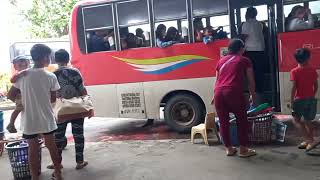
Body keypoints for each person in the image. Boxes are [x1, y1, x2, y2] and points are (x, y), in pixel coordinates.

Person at [7, 44, 63, 180]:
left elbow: (10, 95)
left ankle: (34, 177)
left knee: (32, 150)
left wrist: (23, 97)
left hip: (29, 119)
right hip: (46, 117)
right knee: (52, 147)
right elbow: (53, 98)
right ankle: (58, 174)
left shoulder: (23, 76)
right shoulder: (51, 76)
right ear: (44, 58)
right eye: (49, 57)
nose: (50, 59)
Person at [46, 49, 89, 170]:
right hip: (77, 109)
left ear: (56, 60)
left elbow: (51, 94)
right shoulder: (75, 72)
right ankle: (80, 161)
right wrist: (89, 106)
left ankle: (57, 162)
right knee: (78, 135)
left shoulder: (53, 74)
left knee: (58, 136)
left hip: (61, 109)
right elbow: (82, 90)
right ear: (68, 58)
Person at [213, 39, 257, 158]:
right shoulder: (244, 60)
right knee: (241, 120)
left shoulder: (221, 60)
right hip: (232, 92)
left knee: (223, 122)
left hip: (218, 92)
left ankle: (229, 149)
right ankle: (243, 149)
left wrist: (214, 96)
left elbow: (217, 80)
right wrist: (253, 94)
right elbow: (250, 80)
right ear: (241, 49)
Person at [290, 48, 319, 151]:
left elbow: (294, 87)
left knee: (295, 120)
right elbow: (316, 86)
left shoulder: (294, 71)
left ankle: (310, 140)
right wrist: (311, 95)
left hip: (299, 99)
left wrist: (291, 100)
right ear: (308, 58)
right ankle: (308, 141)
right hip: (310, 99)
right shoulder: (313, 70)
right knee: (308, 120)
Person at [241, 7, 266, 105]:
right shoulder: (260, 24)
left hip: (251, 52)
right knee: (259, 75)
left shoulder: (246, 24)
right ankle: (259, 96)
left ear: (247, 14)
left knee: (250, 76)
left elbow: (244, 37)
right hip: (260, 51)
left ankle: (254, 99)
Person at [6, 55, 30, 133]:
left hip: (26, 95)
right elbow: (12, 80)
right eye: (20, 65)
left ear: (29, 63)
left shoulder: (30, 72)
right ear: (15, 67)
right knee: (18, 109)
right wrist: (20, 73)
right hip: (20, 96)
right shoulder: (18, 74)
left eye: (25, 63)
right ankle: (11, 123)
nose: (23, 65)